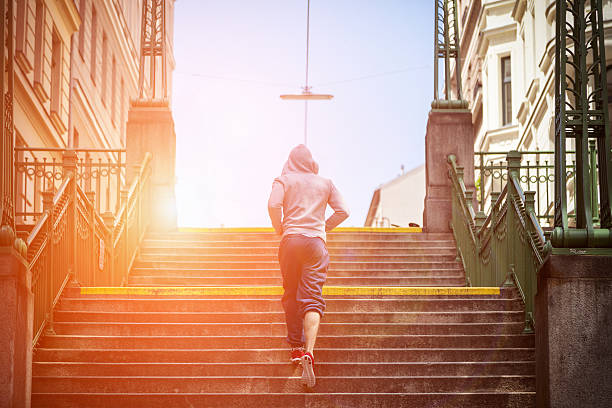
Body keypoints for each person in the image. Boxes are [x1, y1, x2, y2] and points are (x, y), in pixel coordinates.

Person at [267, 144, 349, 388]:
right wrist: (323, 227)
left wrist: (279, 227)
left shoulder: (283, 180)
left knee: (291, 293)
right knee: (312, 298)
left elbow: (273, 205)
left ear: (290, 160)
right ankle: (309, 352)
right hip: (316, 243)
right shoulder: (326, 182)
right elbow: (343, 211)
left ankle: (295, 347)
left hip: (291, 240)